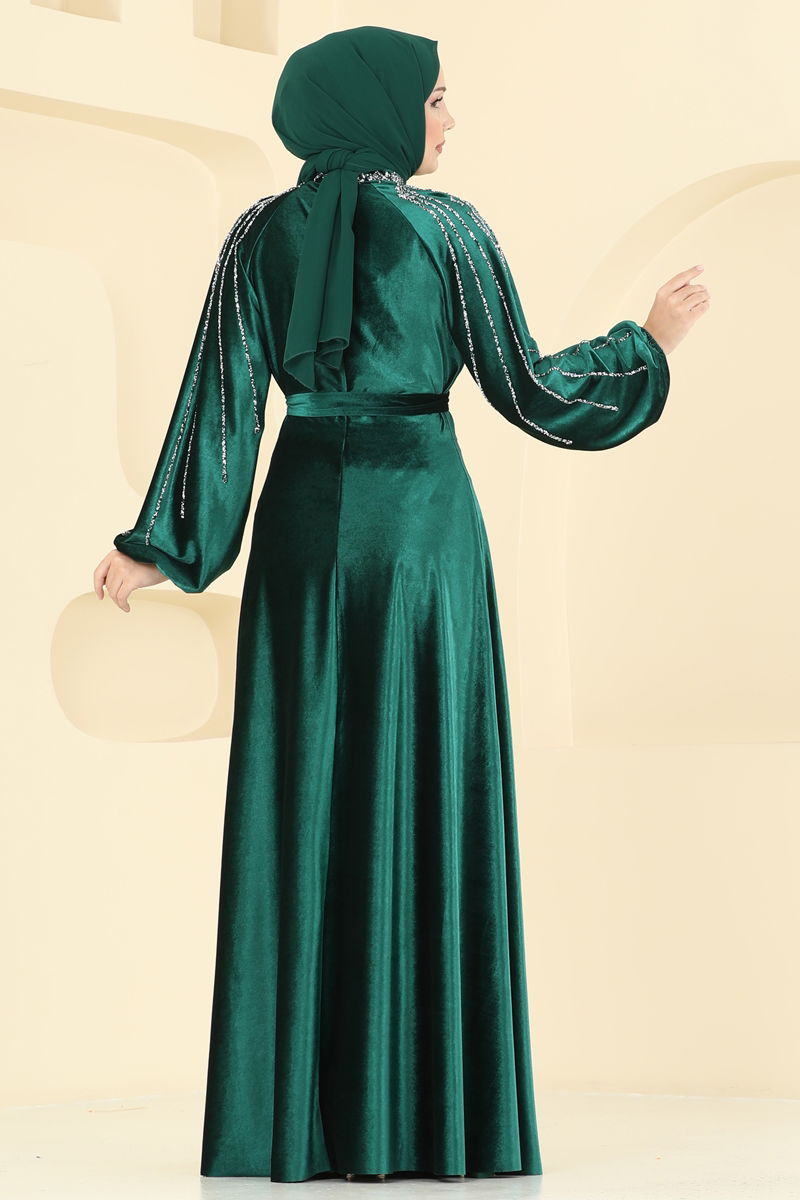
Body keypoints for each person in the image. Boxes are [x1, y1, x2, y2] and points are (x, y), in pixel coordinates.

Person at [93, 24, 709, 1185]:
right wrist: (646, 345)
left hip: (302, 536)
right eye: (434, 100)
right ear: (376, 107)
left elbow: (223, 399)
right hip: (420, 530)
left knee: (309, 787)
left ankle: (299, 1119)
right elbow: (526, 385)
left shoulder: (257, 236)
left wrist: (163, 545)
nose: (448, 120)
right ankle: (428, 1115)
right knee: (423, 774)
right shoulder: (445, 227)